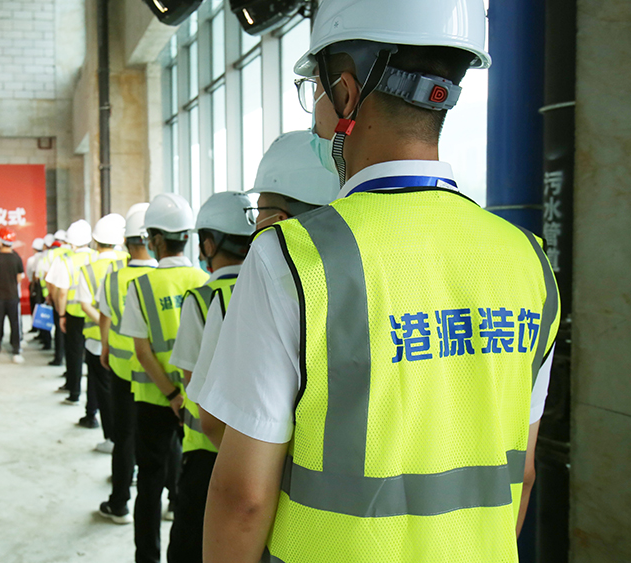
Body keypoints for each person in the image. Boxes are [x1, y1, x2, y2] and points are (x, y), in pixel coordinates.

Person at [200, 2, 560, 562]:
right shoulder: (527, 260)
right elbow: (524, 473)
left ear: (345, 92)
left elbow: (244, 499)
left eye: (316, 91)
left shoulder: (292, 258)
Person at [186, 131, 338, 447]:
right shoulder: (371, 282)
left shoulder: (250, 298)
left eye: (258, 212)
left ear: (277, 221)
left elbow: (213, 423)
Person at [150, 192, 255, 562]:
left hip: (208, 452)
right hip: (262, 450)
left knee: (191, 545)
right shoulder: (271, 288)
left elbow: (192, 379)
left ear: (209, 245)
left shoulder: (203, 299)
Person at [119, 193, 209, 563]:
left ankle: (147, 556)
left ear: (156, 240)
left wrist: (171, 393)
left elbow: (142, 351)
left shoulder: (141, 287)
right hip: (198, 403)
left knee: (150, 482)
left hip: (156, 400)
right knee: (190, 480)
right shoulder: (205, 280)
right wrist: (183, 394)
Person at [96, 203, 157, 524]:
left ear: (126, 242)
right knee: (165, 441)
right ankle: (173, 501)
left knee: (125, 438)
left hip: (122, 372)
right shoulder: (166, 278)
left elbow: (105, 318)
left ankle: (119, 503)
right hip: (161, 375)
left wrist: (105, 348)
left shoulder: (113, 279)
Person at [74, 214, 127, 434]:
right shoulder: (126, 262)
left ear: (95, 241)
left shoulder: (88, 269)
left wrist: (106, 323)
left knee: (103, 390)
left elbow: (86, 305)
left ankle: (110, 436)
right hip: (126, 339)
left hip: (96, 341)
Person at [46, 220, 96, 405]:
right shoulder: (96, 257)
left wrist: (61, 315)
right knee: (92, 355)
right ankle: (92, 404)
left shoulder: (65, 260)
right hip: (94, 313)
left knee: (73, 353)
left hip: (74, 313)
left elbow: (62, 292)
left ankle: (74, 391)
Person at [0, 227, 25, 364]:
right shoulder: (17, 258)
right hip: (13, 296)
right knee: (15, 324)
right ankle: (16, 351)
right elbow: (19, 277)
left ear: (0, 241)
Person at [41, 229, 71, 365]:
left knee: (59, 330)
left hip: (59, 297)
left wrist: (52, 298)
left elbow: (49, 279)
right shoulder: (75, 253)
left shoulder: (52, 254)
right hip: (80, 302)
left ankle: (59, 357)